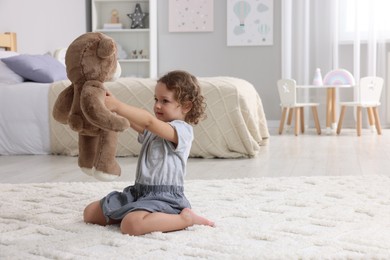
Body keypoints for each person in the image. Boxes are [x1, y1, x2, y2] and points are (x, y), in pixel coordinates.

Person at [83, 70, 215, 236]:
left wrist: (118, 105)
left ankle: (185, 219)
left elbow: (147, 121)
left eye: (165, 101)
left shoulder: (182, 131)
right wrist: (111, 105)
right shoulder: (154, 129)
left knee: (130, 226)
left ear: (186, 106)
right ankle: (133, 213)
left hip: (165, 198)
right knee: (90, 212)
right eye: (156, 99)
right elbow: (137, 123)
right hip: (139, 193)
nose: (157, 105)